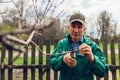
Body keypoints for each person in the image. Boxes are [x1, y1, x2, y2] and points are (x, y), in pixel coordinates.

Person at [49, 12, 109, 80]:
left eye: (79, 27)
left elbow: (102, 72)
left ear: (84, 29)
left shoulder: (92, 46)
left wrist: (92, 58)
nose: (76, 30)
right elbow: (52, 63)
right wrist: (63, 59)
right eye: (73, 26)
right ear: (69, 27)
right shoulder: (62, 44)